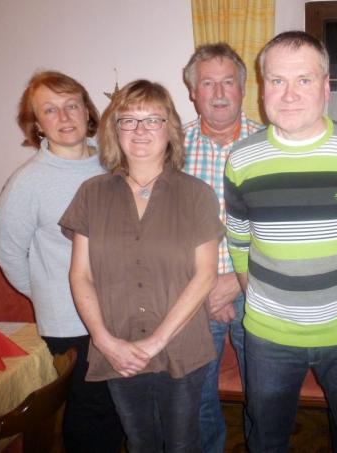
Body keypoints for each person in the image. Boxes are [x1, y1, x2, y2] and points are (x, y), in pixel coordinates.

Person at [224, 31, 337, 453]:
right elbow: (239, 243)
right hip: (268, 336)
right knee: (266, 439)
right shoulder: (242, 159)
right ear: (263, 88)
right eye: (276, 80)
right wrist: (264, 304)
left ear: (325, 87)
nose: (288, 94)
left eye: (303, 80)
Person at [60, 80, 224, 452]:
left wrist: (155, 342)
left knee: (183, 444)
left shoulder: (196, 193)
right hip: (118, 347)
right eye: (128, 121)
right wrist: (104, 341)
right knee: (140, 442)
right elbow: (80, 274)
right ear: (114, 130)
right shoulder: (92, 194)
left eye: (153, 119)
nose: (140, 130)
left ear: (171, 130)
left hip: (181, 348)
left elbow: (206, 275)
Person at [0, 70, 124, 453]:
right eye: (50, 110)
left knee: (117, 406)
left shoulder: (114, 163)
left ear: (87, 111)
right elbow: (8, 254)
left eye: (71, 105)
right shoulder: (27, 183)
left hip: (122, 311)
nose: (64, 117)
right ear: (37, 124)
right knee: (90, 411)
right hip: (70, 320)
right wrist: (49, 294)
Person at [182, 42, 264, 453]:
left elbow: (283, 227)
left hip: (260, 293)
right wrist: (206, 287)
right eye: (207, 83)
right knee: (196, 399)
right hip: (189, 296)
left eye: (227, 81)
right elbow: (160, 229)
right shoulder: (168, 150)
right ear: (192, 92)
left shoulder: (271, 146)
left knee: (265, 396)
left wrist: (234, 278)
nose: (217, 92)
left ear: (242, 89)